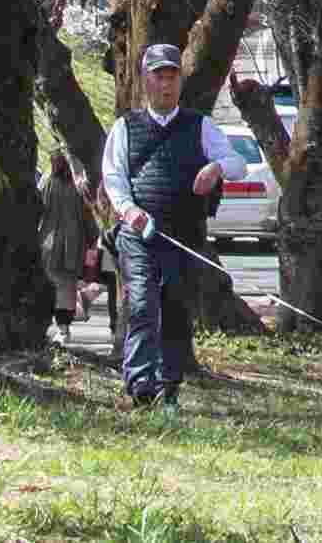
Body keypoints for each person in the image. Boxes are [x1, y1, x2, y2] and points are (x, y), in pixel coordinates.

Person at [96, 42, 225, 407]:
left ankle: (169, 387)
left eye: (172, 77)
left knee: (175, 310)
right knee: (140, 304)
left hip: (183, 235)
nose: (165, 85)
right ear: (145, 82)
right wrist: (128, 210)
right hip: (139, 234)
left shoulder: (201, 126)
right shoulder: (125, 127)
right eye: (158, 77)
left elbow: (235, 162)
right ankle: (140, 389)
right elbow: (113, 176)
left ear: (180, 82)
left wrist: (215, 168)